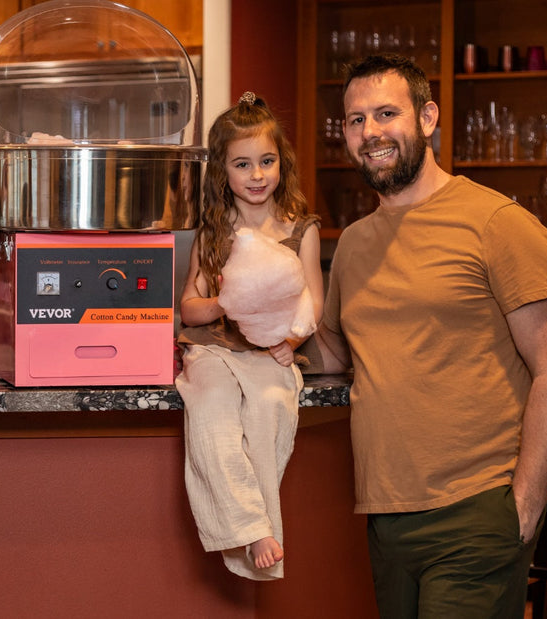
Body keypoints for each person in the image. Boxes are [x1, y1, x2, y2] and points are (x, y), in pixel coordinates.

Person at [315, 54, 547, 618]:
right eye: (356, 119)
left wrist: (523, 509)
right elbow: (333, 352)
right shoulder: (354, 244)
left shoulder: (497, 224)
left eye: (386, 113)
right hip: (385, 515)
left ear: (428, 117)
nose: (370, 132)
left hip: (476, 509)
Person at [176, 92, 323, 580]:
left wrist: (293, 341)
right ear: (223, 172)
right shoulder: (213, 233)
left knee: (269, 410)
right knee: (211, 410)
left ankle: (250, 526)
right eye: (242, 164)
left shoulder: (301, 230)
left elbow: (313, 302)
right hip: (214, 349)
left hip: (269, 353)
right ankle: (255, 528)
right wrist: (225, 303)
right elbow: (190, 306)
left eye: (267, 161)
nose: (257, 175)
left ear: (282, 162)